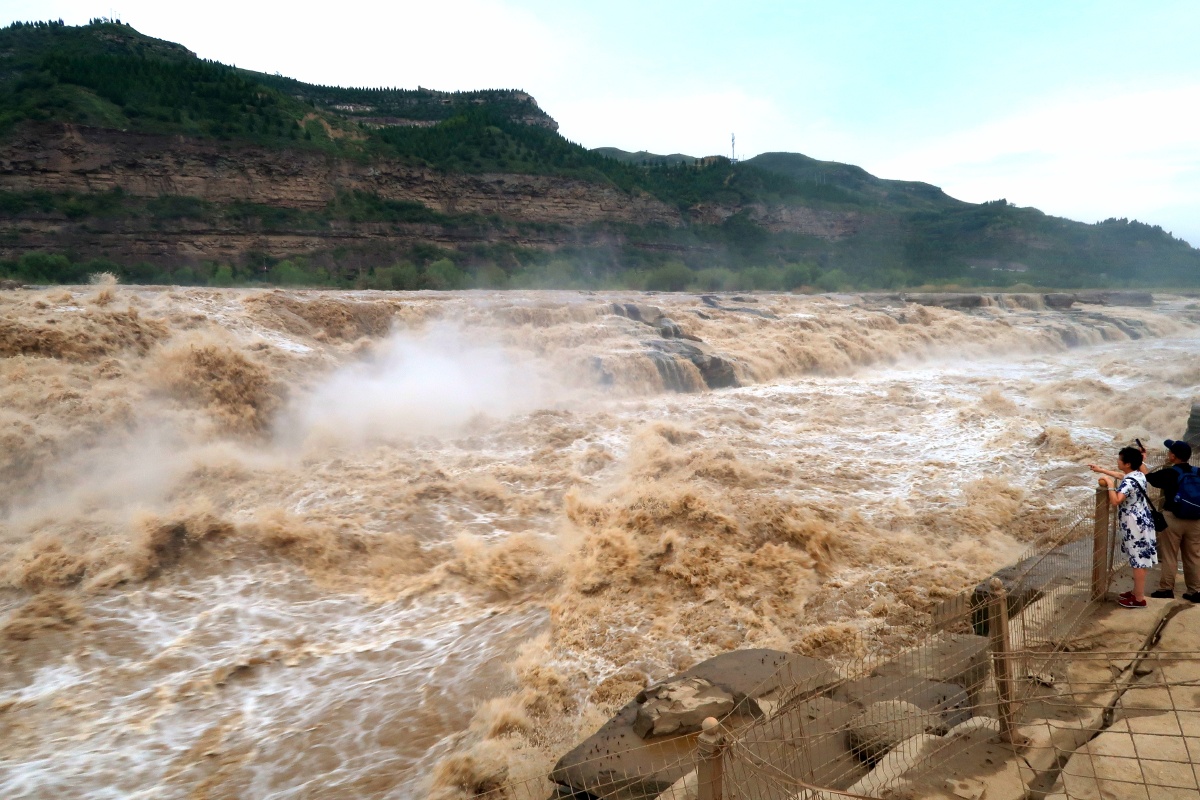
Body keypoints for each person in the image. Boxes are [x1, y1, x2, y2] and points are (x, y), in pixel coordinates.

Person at [1090, 446, 1157, 608]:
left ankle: (1139, 598)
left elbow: (1116, 501)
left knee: (1138, 561)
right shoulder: (1138, 475)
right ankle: (1136, 592)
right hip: (1143, 519)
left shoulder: (1129, 481)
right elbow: (1123, 477)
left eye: (1119, 459)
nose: (1117, 461)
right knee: (1140, 558)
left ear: (1127, 464)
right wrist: (1103, 470)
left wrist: (1109, 484)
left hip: (1134, 524)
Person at [1146, 439, 1200, 602]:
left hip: (1173, 519)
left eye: (1170, 452)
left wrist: (1143, 459)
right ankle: (1195, 591)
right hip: (1196, 519)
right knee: (1194, 555)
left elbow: (1149, 478)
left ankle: (1166, 589)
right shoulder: (1198, 472)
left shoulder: (1169, 473)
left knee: (1170, 555)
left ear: (1172, 456)